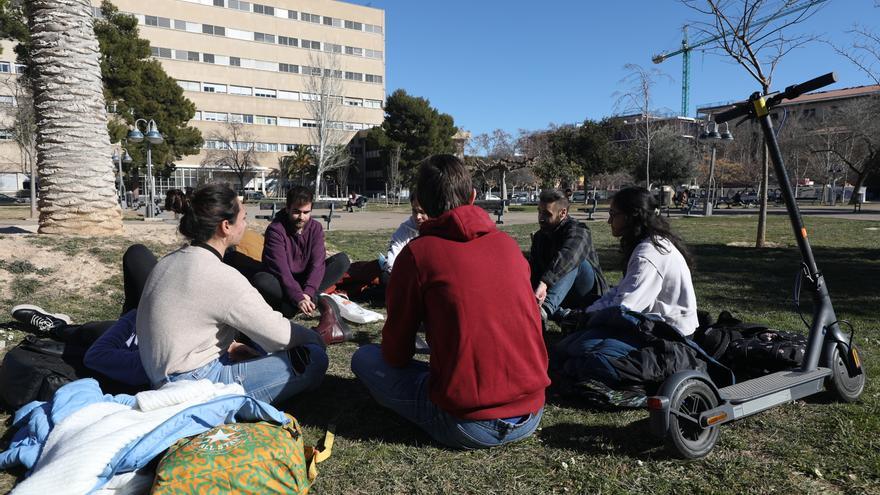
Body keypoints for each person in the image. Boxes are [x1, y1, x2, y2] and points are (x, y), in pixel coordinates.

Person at [351, 154, 550, 449]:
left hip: (469, 422)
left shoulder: (419, 254)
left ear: (423, 204)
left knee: (363, 358)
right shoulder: (508, 245)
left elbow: (396, 355)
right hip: (532, 410)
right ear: (472, 196)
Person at [136, 183, 329, 404]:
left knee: (255, 346)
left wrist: (231, 346)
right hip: (193, 384)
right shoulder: (220, 275)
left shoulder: (168, 261)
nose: (246, 224)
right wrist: (315, 339)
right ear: (226, 226)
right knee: (313, 358)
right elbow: (279, 335)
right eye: (244, 218)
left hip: (158, 373)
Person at [552, 186, 698, 388]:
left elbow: (625, 307)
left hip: (669, 335)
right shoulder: (646, 244)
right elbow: (622, 291)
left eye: (614, 214)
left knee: (578, 350)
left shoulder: (649, 254)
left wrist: (587, 317)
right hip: (648, 323)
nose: (610, 220)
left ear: (632, 217)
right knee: (565, 349)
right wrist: (588, 311)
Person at [252, 186, 352, 344]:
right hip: (282, 281)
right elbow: (281, 269)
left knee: (341, 261)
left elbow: (317, 263)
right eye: (296, 212)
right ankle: (297, 304)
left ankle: (300, 303)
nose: (301, 217)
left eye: (306, 212)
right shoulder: (275, 230)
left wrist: (307, 292)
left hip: (306, 281)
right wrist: (298, 296)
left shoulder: (316, 228)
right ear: (287, 208)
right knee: (261, 280)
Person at [530, 189, 606, 326]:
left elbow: (569, 255)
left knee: (573, 261)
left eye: (547, 214)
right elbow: (534, 271)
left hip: (586, 293)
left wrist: (545, 282)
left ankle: (545, 310)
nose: (541, 218)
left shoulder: (579, 230)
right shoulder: (539, 237)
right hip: (555, 292)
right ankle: (564, 314)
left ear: (563, 213)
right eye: (539, 212)